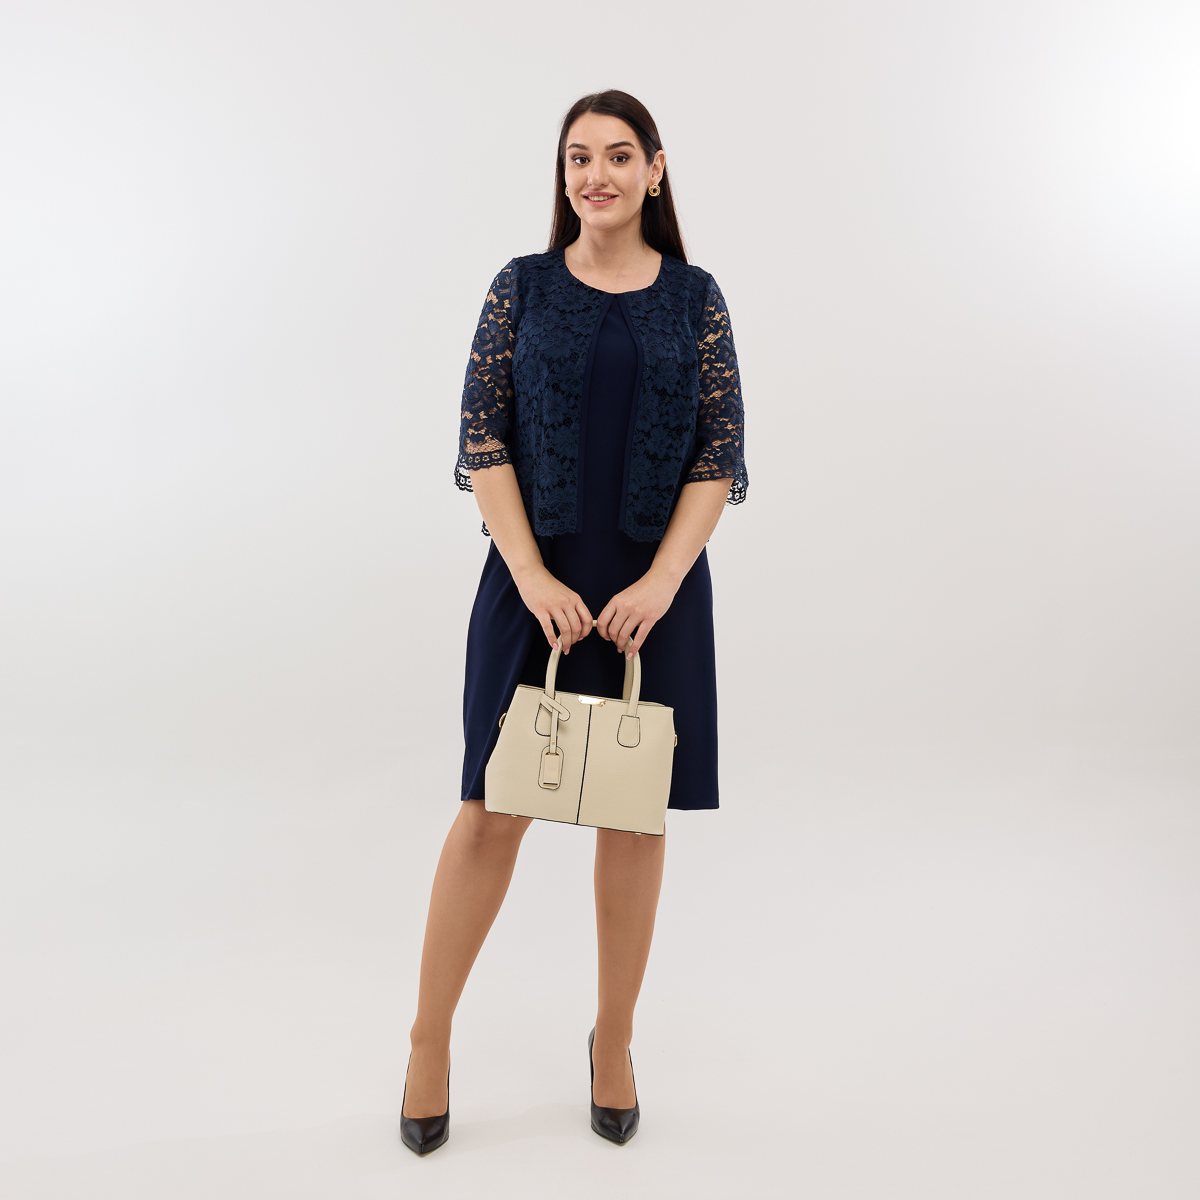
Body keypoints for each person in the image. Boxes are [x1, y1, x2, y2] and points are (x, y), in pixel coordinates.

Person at [400, 89, 748, 1155]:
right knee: (489, 812)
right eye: (578, 158)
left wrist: (664, 580)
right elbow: (484, 435)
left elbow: (719, 450)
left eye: (618, 155)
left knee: (633, 820)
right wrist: (530, 574)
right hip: (532, 589)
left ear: (655, 170)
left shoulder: (695, 298)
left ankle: (613, 1042)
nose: (596, 174)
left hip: (653, 599)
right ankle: (427, 1039)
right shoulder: (521, 287)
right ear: (564, 176)